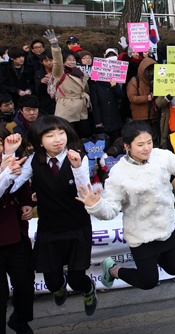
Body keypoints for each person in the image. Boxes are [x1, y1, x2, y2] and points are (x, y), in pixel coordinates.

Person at [76, 121, 175, 290]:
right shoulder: (118, 172)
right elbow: (110, 211)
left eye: (149, 143)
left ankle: (151, 259)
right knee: (148, 282)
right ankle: (113, 270)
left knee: (174, 268)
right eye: (140, 144)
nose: (146, 148)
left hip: (164, 229)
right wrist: (96, 205)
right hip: (140, 235)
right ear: (127, 146)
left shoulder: (162, 156)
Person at [5, 116, 98, 316]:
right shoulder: (32, 161)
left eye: (61, 133)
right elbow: (13, 187)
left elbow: (85, 192)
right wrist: (9, 168)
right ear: (39, 141)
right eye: (50, 135)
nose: (58, 139)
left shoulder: (77, 157)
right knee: (53, 282)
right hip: (49, 228)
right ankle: (59, 286)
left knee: (77, 279)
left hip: (77, 226)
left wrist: (76, 167)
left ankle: (88, 288)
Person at [0, 128, 35, 334]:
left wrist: (26, 204)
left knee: (24, 285)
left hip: (15, 235)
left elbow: (21, 185)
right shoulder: (7, 160)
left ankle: (20, 321)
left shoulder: (11, 159)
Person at [43, 29, 91, 138]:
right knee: (69, 135)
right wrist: (54, 45)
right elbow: (57, 61)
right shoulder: (60, 72)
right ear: (64, 61)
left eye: (74, 60)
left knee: (84, 134)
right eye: (69, 60)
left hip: (81, 107)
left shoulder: (80, 73)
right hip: (66, 108)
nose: (72, 62)